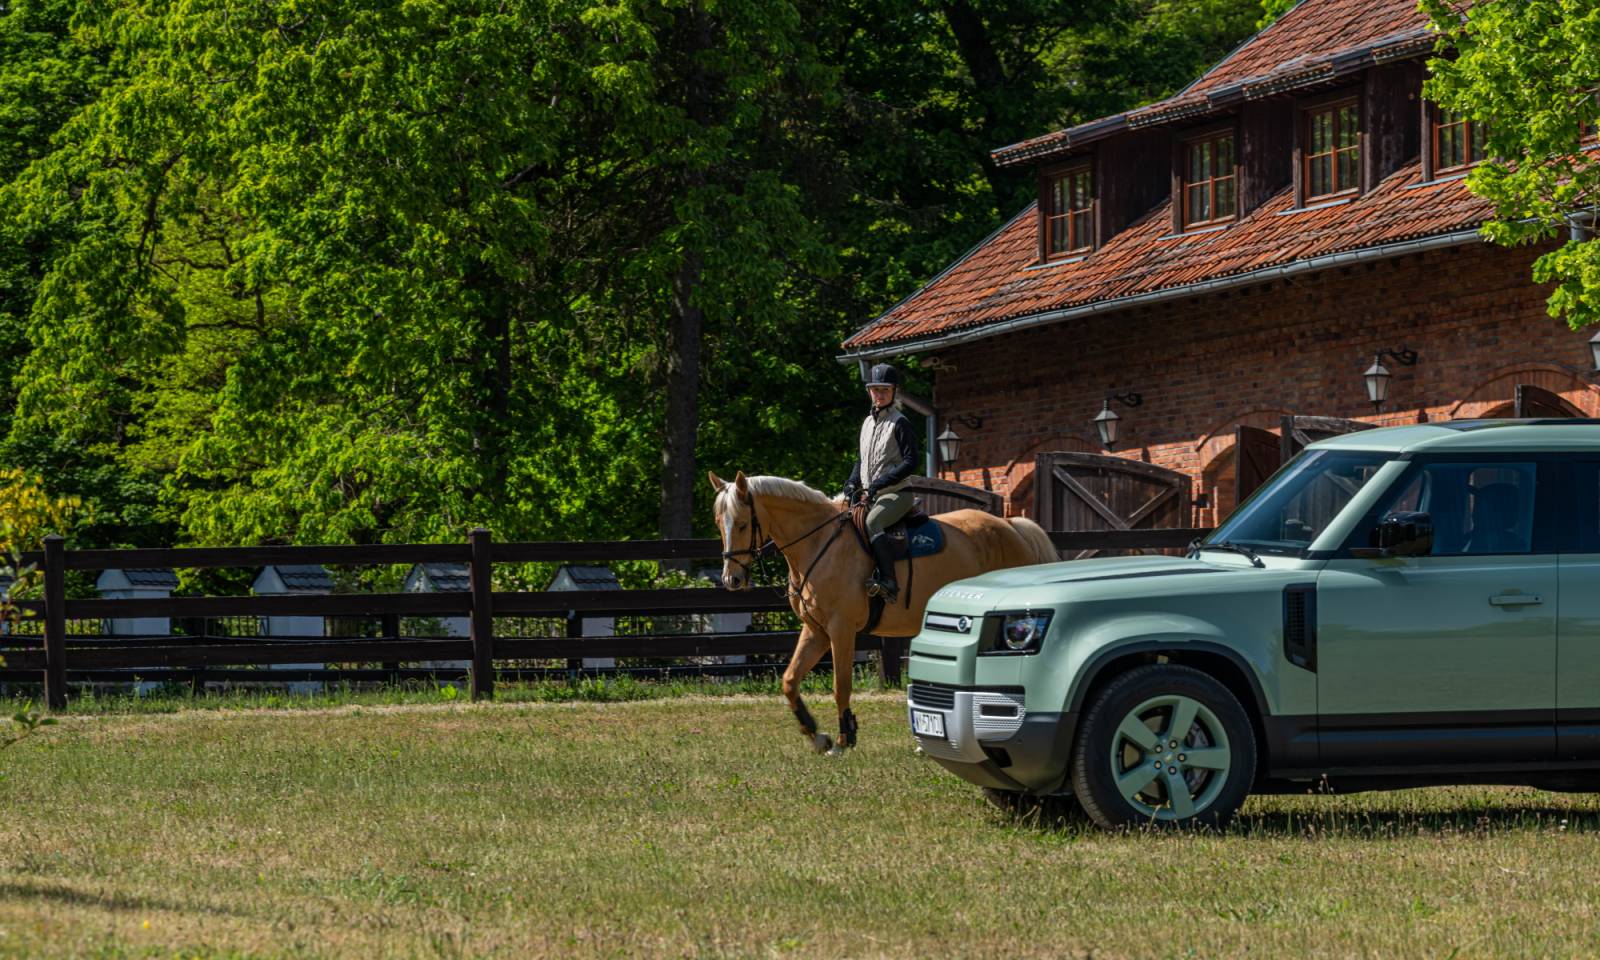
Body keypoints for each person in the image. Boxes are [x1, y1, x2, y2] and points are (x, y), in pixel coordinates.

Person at [842, 363, 919, 601]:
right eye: (875, 389)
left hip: (898, 494)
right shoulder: (867, 423)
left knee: (873, 522)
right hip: (871, 495)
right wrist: (853, 481)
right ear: (869, 392)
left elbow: (911, 461)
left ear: (894, 391)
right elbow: (861, 460)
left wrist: (880, 483)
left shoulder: (900, 422)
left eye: (885, 390)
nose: (880, 394)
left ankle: (889, 581)